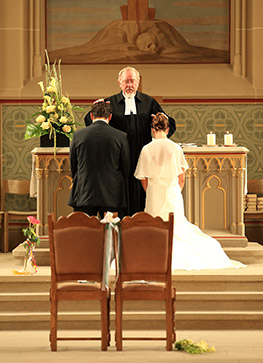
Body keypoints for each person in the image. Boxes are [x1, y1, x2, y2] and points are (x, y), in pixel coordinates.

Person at [134, 113, 245, 270]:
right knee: (177, 225)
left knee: (154, 225)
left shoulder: (146, 149)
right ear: (167, 129)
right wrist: (175, 191)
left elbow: (143, 177)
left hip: (154, 193)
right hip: (172, 192)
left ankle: (155, 255)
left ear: (152, 130)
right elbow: (182, 177)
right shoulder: (175, 148)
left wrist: (150, 191)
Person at [84, 67, 176, 216]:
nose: (129, 85)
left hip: (143, 157)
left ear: (138, 82)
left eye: (132, 81)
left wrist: (160, 124)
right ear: (119, 83)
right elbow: (92, 124)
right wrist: (93, 109)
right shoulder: (109, 103)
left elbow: (167, 124)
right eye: (126, 81)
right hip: (118, 161)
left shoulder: (148, 102)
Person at [69, 101, 130, 219]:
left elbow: (73, 165)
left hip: (84, 192)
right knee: (110, 235)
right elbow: (126, 168)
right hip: (112, 194)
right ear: (110, 117)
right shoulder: (121, 136)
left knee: (84, 234)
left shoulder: (78, 135)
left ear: (91, 116)